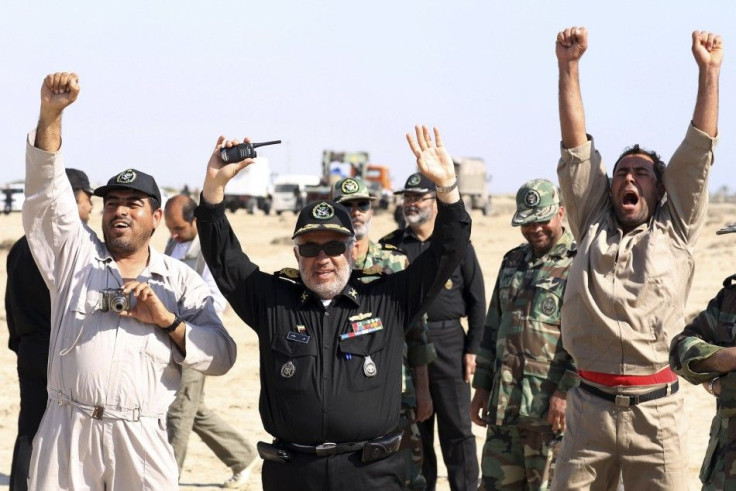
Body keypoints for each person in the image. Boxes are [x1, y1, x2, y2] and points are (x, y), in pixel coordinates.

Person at [195, 125, 470, 490]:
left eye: (334, 246)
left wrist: (447, 188)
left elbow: (447, 252)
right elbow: (223, 257)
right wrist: (214, 189)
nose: (322, 258)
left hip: (372, 475)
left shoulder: (388, 298)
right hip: (294, 475)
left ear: (352, 250)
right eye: (310, 247)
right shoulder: (274, 302)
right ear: (297, 253)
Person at [22, 71, 237, 490]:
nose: (120, 212)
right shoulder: (74, 257)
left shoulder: (180, 281)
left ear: (156, 217)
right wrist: (51, 115)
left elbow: (222, 357)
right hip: (68, 429)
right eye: (112, 204)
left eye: (133, 204)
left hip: (140, 437)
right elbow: (46, 192)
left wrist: (167, 322)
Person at [552, 27, 722, 490]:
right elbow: (575, 149)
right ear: (609, 188)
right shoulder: (592, 222)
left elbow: (697, 151)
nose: (630, 177)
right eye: (622, 171)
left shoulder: (676, 228)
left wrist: (709, 72)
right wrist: (569, 67)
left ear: (659, 189)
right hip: (589, 412)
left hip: (657, 415)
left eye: (642, 172)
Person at [469, 179, 577, 490]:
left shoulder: (579, 262)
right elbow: (492, 329)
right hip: (504, 408)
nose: (534, 229)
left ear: (560, 212)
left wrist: (566, 392)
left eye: (541, 220)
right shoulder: (512, 261)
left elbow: (589, 339)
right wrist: (482, 390)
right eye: (527, 222)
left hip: (549, 414)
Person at [381, 172, 486, 491]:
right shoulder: (390, 246)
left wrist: (472, 349)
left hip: (449, 344)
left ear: (436, 202)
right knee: (417, 432)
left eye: (418, 197)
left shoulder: (455, 246)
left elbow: (478, 301)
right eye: (407, 197)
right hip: (406, 348)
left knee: (457, 431)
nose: (410, 203)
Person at [330, 176, 435, 490]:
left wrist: (423, 389)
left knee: (405, 476)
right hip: (340, 397)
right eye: (347, 206)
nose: (356, 212)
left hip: (395, 394)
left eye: (363, 204)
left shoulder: (395, 263)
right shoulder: (323, 265)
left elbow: (417, 331)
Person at [6, 168, 93, 491]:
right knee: (72, 429)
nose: (91, 206)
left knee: (29, 427)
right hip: (63, 350)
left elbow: (10, 305)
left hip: (29, 349)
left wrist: (21, 343)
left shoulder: (21, 245)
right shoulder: (77, 248)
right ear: (71, 199)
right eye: (87, 198)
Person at [163, 194, 257, 488]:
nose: (174, 235)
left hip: (195, 340)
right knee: (192, 408)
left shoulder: (209, 251)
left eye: (179, 228)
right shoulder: (174, 244)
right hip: (170, 337)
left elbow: (214, 302)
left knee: (179, 412)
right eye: (171, 229)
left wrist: (182, 323)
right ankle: (242, 456)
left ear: (194, 220)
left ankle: (167, 479)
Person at [670, 224, 736, 489]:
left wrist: (724, 386)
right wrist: (724, 358)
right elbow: (679, 349)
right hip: (724, 470)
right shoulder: (728, 300)